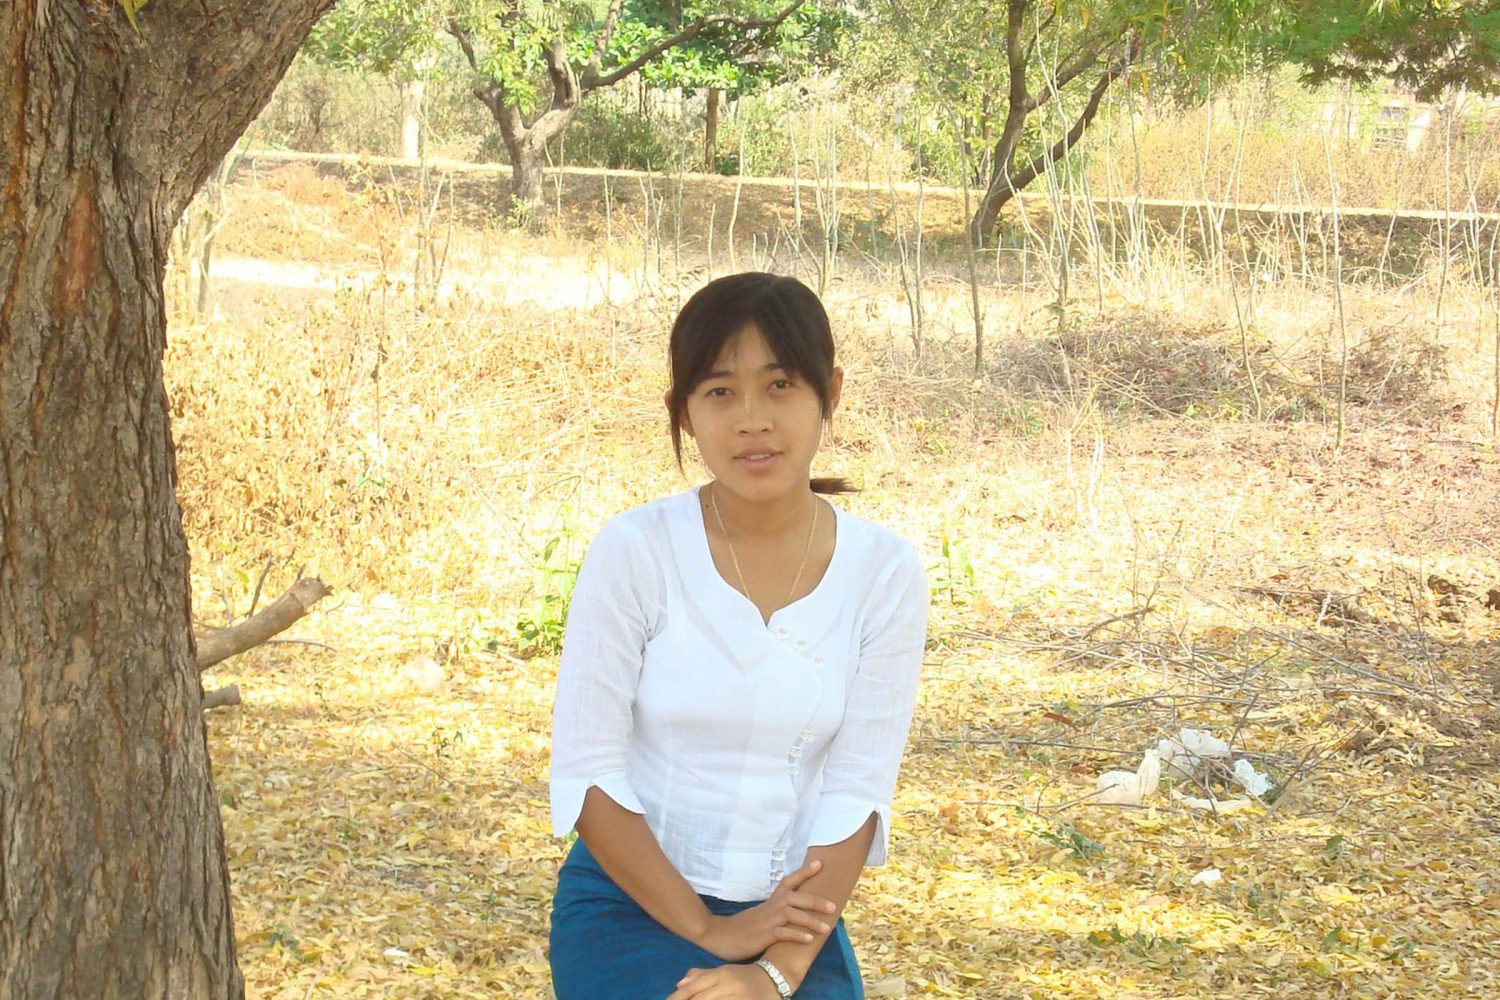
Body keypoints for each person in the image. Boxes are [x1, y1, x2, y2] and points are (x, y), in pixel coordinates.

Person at [548, 272, 928, 999]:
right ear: (684, 413)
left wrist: (773, 974)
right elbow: (588, 771)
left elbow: (858, 790)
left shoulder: (884, 572)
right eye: (720, 391)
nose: (752, 420)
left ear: (830, 393)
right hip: (630, 902)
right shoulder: (636, 550)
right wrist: (710, 929)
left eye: (780, 385)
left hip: (794, 916)